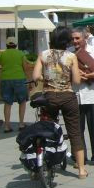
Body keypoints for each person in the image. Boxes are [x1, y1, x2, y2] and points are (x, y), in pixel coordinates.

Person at [32, 26, 86, 179]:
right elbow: (76, 81)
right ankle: (81, 170)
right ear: (67, 41)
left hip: (49, 97)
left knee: (45, 128)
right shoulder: (71, 56)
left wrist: (46, 78)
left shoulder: (43, 55)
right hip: (68, 97)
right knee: (75, 132)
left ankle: (40, 163)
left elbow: (36, 76)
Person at [71, 27, 94, 169]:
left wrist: (88, 76)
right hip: (74, 96)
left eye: (77, 38)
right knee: (77, 130)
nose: (74, 41)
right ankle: (80, 158)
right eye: (73, 38)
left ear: (84, 38)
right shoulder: (68, 52)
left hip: (93, 95)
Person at [0, 36, 29, 133]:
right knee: (22, 101)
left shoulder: (1, 54)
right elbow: (26, 68)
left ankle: (7, 126)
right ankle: (21, 124)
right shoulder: (21, 54)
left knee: (7, 103)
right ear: (16, 45)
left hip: (6, 79)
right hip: (19, 79)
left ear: (7, 45)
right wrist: (28, 80)